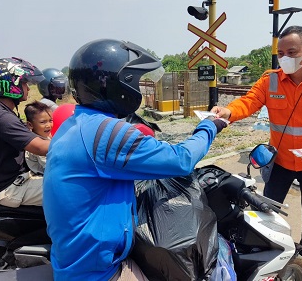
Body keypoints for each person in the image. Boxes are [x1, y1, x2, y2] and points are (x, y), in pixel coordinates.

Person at [42, 38, 228, 281]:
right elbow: (180, 160)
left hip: (77, 257)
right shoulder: (105, 132)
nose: (139, 89)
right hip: (98, 271)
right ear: (119, 85)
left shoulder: (75, 124)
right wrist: (209, 127)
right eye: (137, 82)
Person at [211, 26, 302, 268]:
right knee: (266, 211)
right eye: (280, 53)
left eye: (292, 52)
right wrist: (228, 111)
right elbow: (249, 101)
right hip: (281, 161)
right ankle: (269, 253)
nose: (285, 58)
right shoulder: (270, 79)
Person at [0, 57, 50, 208]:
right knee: (73, 190)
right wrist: (77, 144)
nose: (28, 88)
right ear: (11, 84)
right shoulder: (1, 117)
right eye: (24, 83)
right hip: (9, 189)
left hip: (18, 180)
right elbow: (40, 148)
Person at [24, 101, 53, 176]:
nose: (48, 125)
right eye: (43, 122)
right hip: (42, 175)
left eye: (50, 120)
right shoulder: (36, 145)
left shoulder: (45, 136)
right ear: (30, 125)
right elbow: (50, 166)